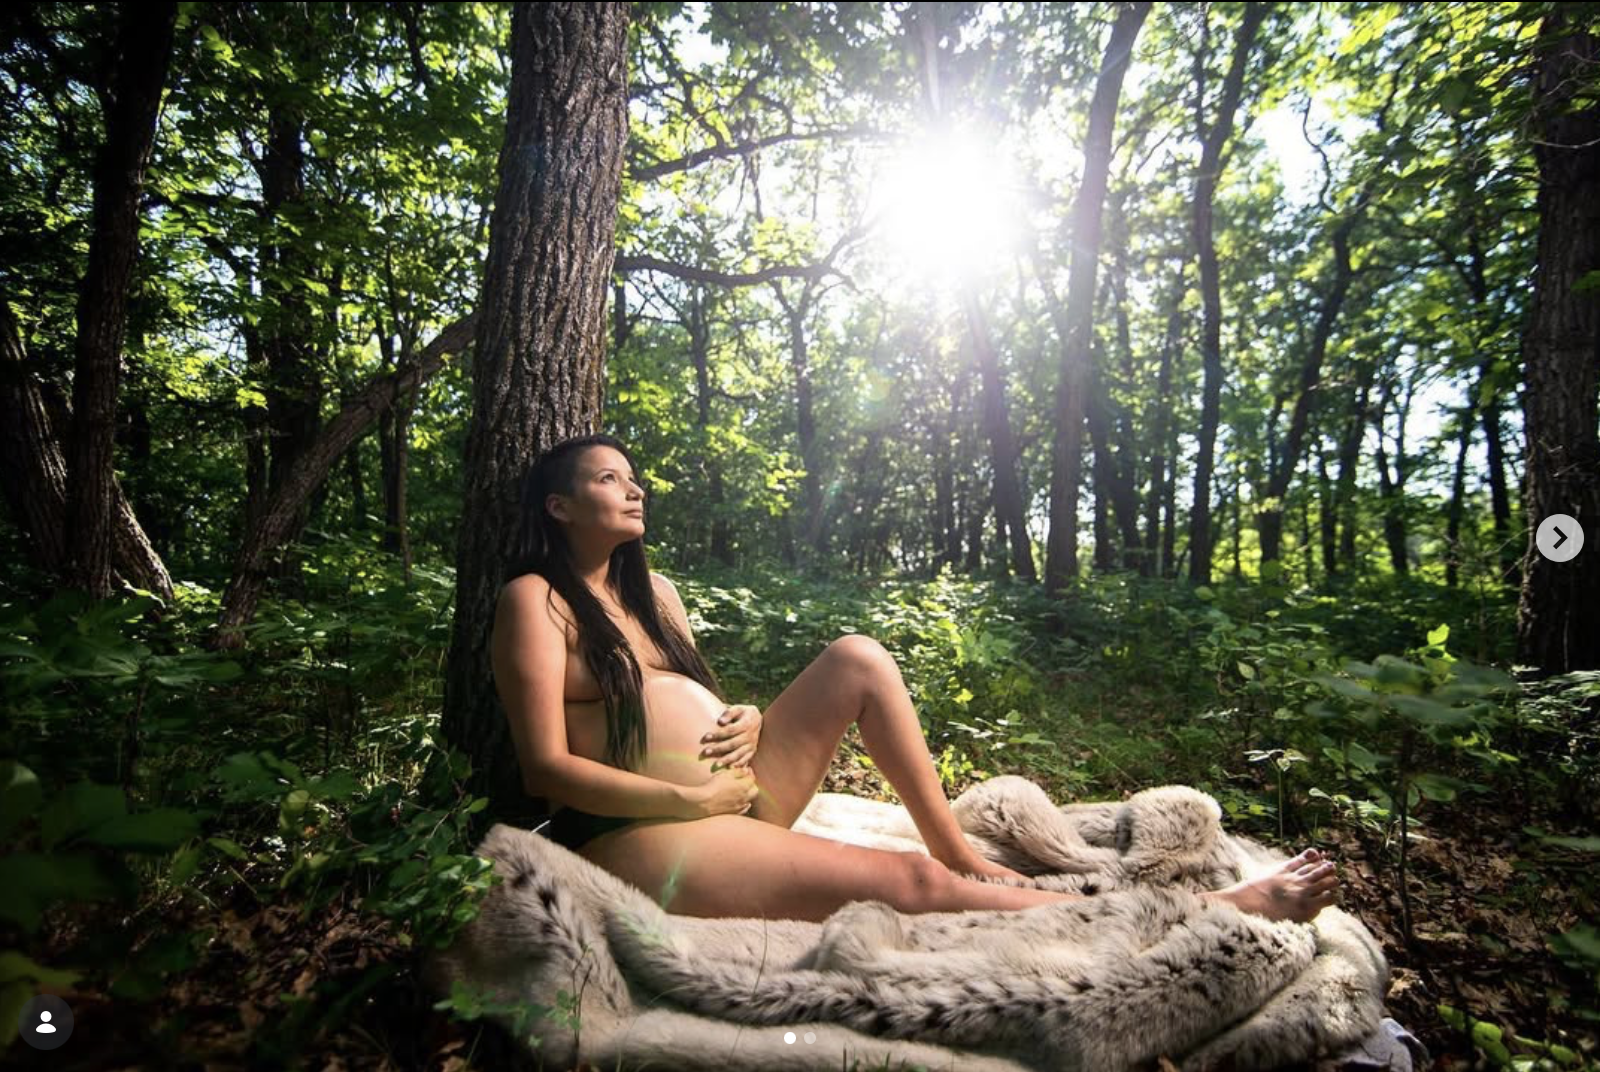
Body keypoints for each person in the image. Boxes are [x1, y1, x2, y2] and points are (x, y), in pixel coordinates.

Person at [490, 433, 1340, 924]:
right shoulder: (534, 601)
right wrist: (687, 800)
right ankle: (1214, 913)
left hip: (739, 793)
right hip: (650, 832)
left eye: (633, 476)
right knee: (910, 890)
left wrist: (744, 715)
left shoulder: (657, 592)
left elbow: (684, 698)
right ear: (560, 507)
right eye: (608, 477)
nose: (633, 487)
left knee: (857, 655)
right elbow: (544, 770)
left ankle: (955, 843)